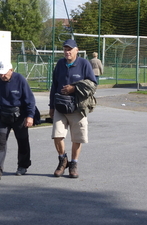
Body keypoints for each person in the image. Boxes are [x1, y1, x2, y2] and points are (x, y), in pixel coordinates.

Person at [49, 39, 97, 178]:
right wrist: (51, 106)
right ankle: (63, 160)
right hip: (60, 107)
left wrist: (74, 88)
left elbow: (93, 83)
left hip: (77, 107)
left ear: (77, 50)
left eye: (70, 49)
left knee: (77, 138)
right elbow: (54, 86)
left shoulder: (84, 64)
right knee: (57, 135)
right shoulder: (60, 64)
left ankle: (74, 164)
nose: (67, 51)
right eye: (65, 49)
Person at [0, 61, 35, 180]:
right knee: (1, 141)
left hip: (19, 116)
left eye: (4, 73)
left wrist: (30, 116)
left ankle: (23, 166)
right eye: (0, 74)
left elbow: (29, 99)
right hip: (3, 116)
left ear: (11, 70)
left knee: (22, 141)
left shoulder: (20, 79)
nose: (2, 76)